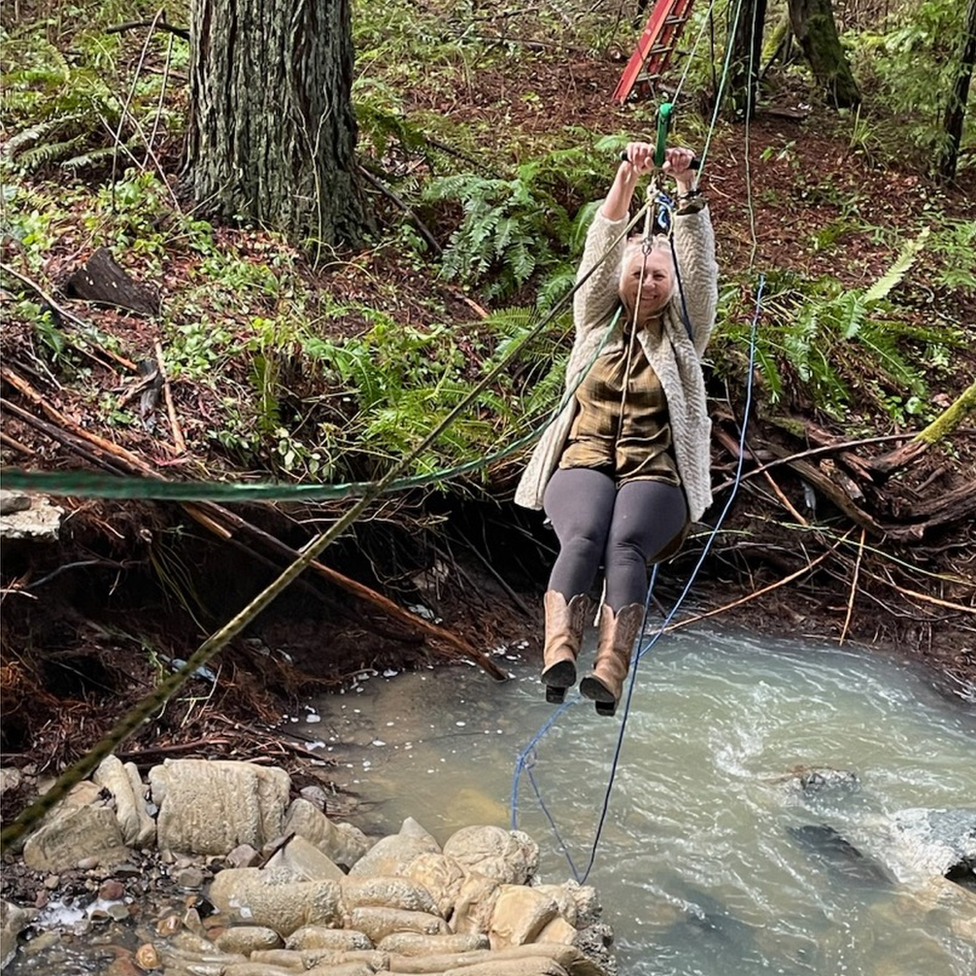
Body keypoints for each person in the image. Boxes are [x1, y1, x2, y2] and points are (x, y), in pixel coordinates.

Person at [514, 142, 718, 716]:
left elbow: (699, 272)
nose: (649, 283)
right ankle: (559, 653)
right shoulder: (594, 322)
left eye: (658, 275)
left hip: (656, 472)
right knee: (583, 536)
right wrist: (626, 181)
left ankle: (609, 668)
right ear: (621, 279)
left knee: (624, 544)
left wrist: (685, 190)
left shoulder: (683, 338)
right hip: (582, 458)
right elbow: (599, 254)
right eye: (639, 273)